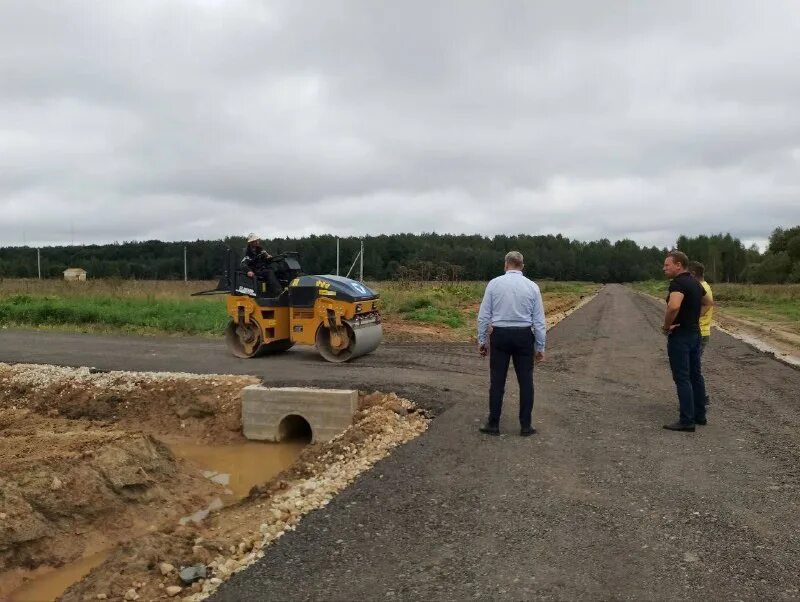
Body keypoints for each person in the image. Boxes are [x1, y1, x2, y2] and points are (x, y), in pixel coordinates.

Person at [476, 251, 546, 437]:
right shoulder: (532, 287)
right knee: (526, 381)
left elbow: (484, 317)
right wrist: (540, 347)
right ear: (522, 266)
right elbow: (539, 321)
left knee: (497, 381)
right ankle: (525, 425)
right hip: (524, 336)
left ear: (506, 265)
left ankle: (493, 424)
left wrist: (482, 341)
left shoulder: (494, 284)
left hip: (500, 336)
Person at [661, 251, 713, 432]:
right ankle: (700, 416)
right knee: (695, 375)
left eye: (667, 265)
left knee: (682, 377)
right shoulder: (695, 282)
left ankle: (687, 420)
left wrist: (667, 326)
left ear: (678, 265)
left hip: (681, 335)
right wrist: (692, 318)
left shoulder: (678, 283)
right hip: (695, 333)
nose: (664, 268)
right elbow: (707, 303)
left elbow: (673, 305)